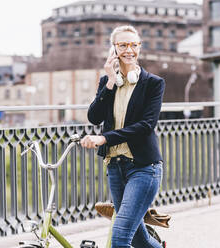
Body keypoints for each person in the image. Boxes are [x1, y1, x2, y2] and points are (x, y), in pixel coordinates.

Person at [80, 25, 165, 248]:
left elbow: (145, 126)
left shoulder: (153, 84)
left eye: (133, 45)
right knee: (139, 238)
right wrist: (109, 81)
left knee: (119, 238)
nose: (129, 50)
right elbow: (94, 117)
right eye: (123, 45)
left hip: (144, 168)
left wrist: (105, 138)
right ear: (114, 49)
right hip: (115, 168)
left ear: (139, 47)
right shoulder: (108, 82)